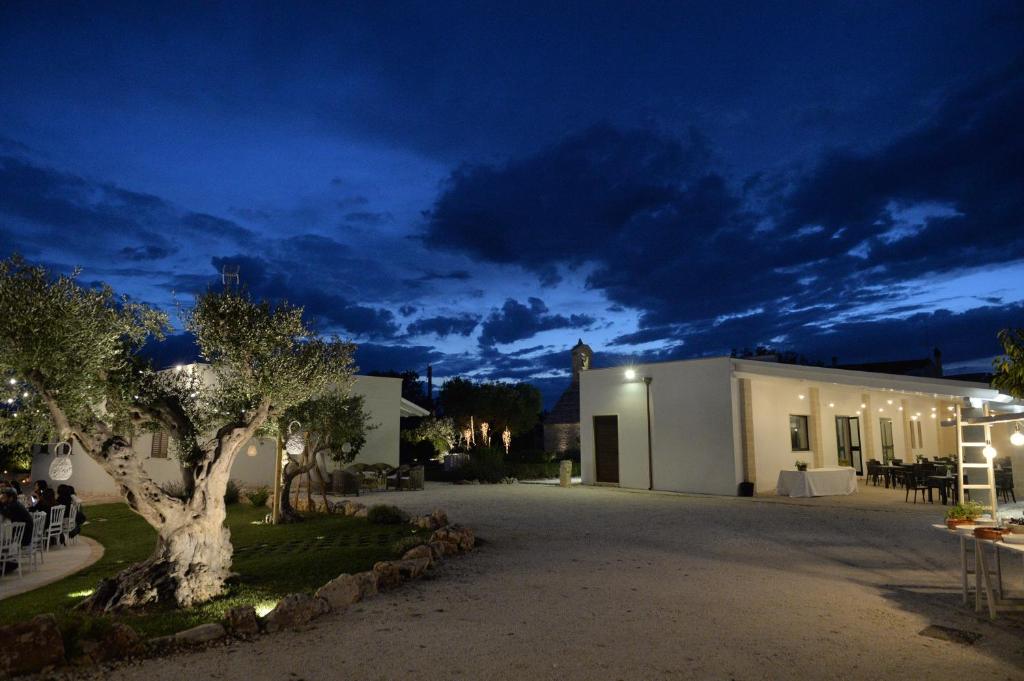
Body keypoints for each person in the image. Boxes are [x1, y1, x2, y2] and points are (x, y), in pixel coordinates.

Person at [0, 488, 34, 572]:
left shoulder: (13, 506)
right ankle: (7, 563)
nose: (2, 499)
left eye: (4, 497)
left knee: (2, 541)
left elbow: (4, 514)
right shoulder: (16, 504)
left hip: (22, 538)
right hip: (24, 536)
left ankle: (7, 563)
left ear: (10, 497)